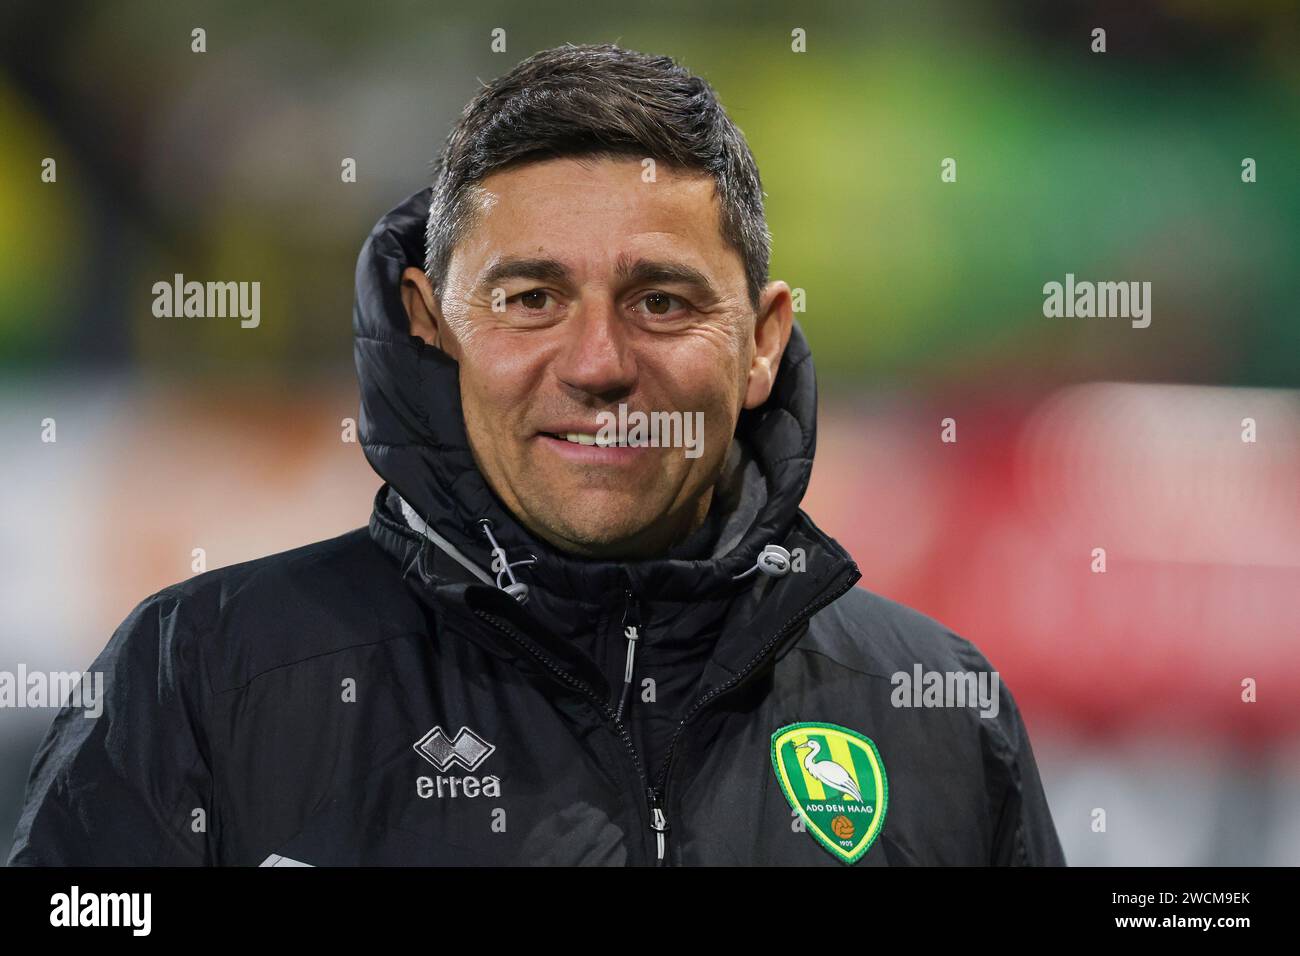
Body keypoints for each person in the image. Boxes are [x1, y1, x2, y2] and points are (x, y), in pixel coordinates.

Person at [8, 43, 1065, 866]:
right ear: (431, 325)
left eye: (661, 300)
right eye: (529, 298)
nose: (598, 363)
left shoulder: (933, 706)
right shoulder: (207, 674)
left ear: (761, 341)